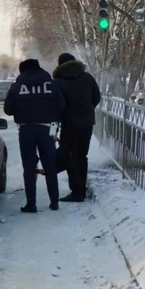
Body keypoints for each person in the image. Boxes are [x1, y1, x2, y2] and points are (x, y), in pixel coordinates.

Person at [4, 58, 65, 213]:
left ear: (22, 70)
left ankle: (31, 204)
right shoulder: (52, 85)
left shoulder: (17, 87)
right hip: (48, 128)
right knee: (50, 165)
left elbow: (8, 110)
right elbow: (62, 105)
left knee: (29, 167)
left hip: (26, 129)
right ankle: (54, 202)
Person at [53, 52, 102, 202]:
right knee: (82, 156)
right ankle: (81, 188)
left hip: (69, 125)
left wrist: (60, 119)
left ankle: (77, 191)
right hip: (87, 123)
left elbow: (57, 104)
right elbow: (97, 96)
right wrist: (87, 110)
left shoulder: (58, 81)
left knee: (70, 156)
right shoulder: (87, 77)